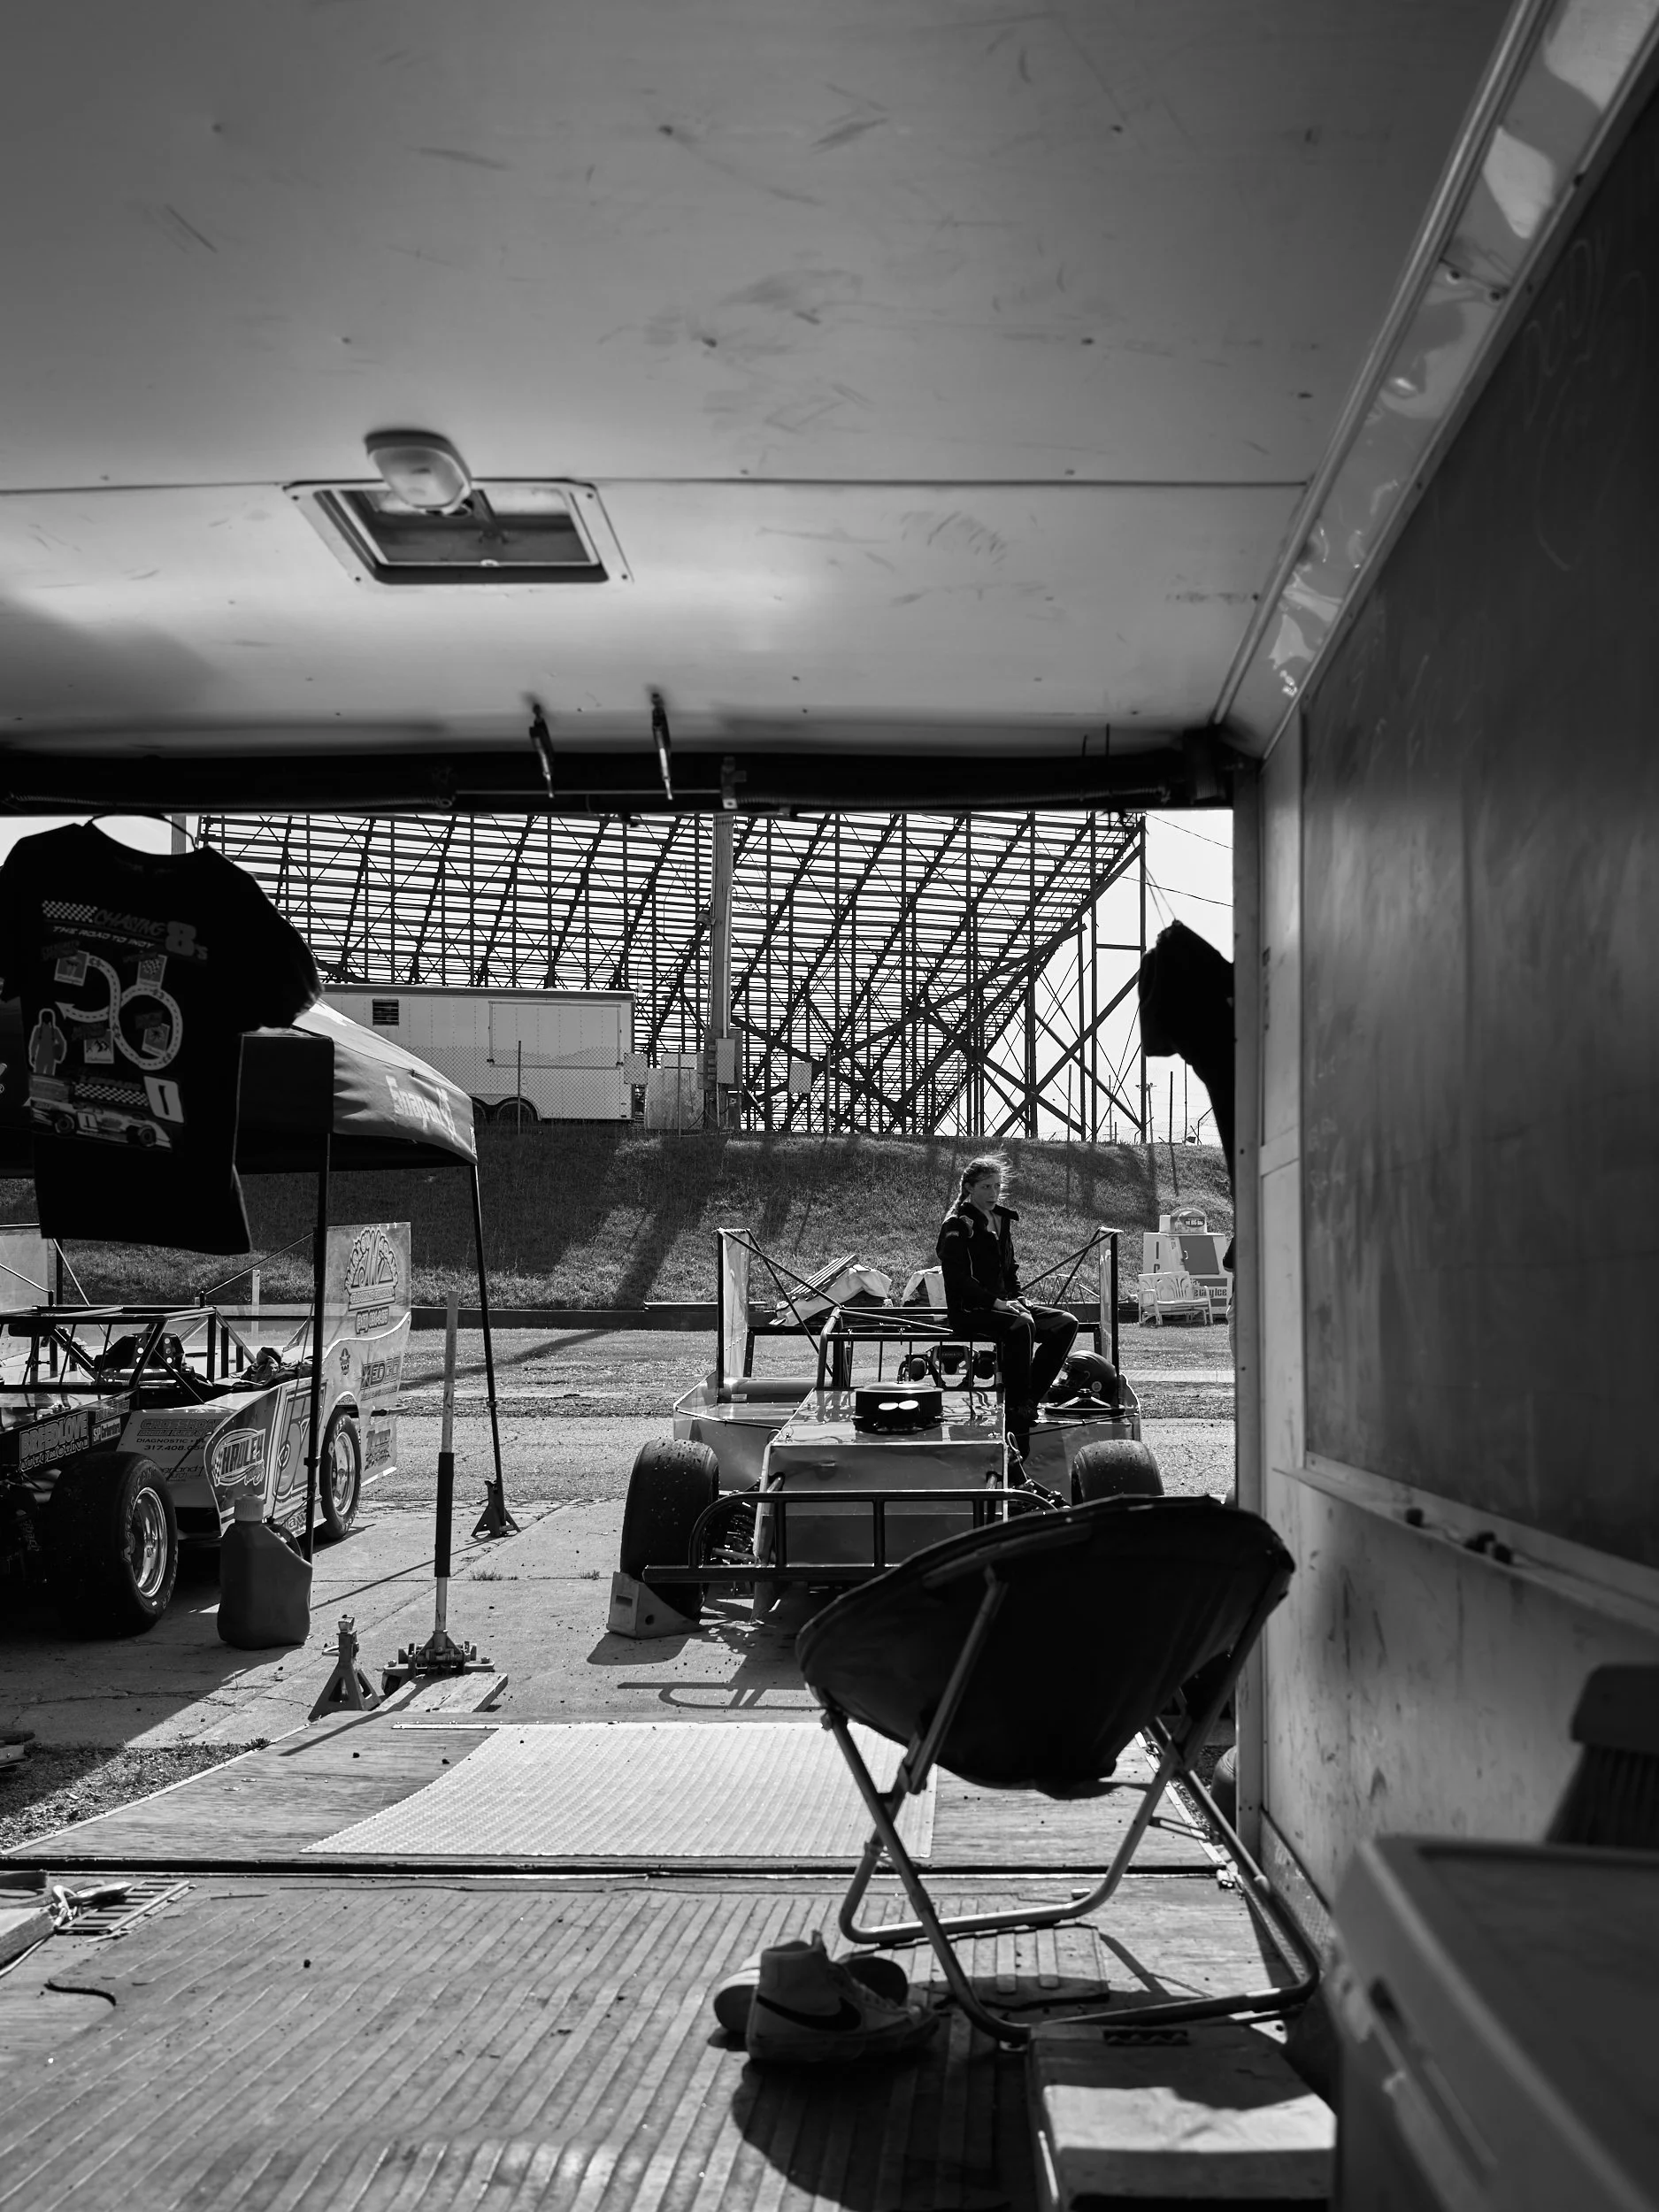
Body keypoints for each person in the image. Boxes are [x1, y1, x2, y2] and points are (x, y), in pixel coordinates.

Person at [934, 1152, 1077, 1447]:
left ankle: (1026, 1402)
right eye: (986, 1186)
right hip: (970, 1310)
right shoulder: (956, 1225)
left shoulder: (1001, 1219)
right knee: (1021, 1324)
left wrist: (1017, 1297)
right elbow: (958, 1280)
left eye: (997, 1186)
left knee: (1065, 1323)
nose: (993, 1193)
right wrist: (998, 1304)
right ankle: (1015, 1408)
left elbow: (1009, 1269)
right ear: (969, 1187)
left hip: (1006, 1305)